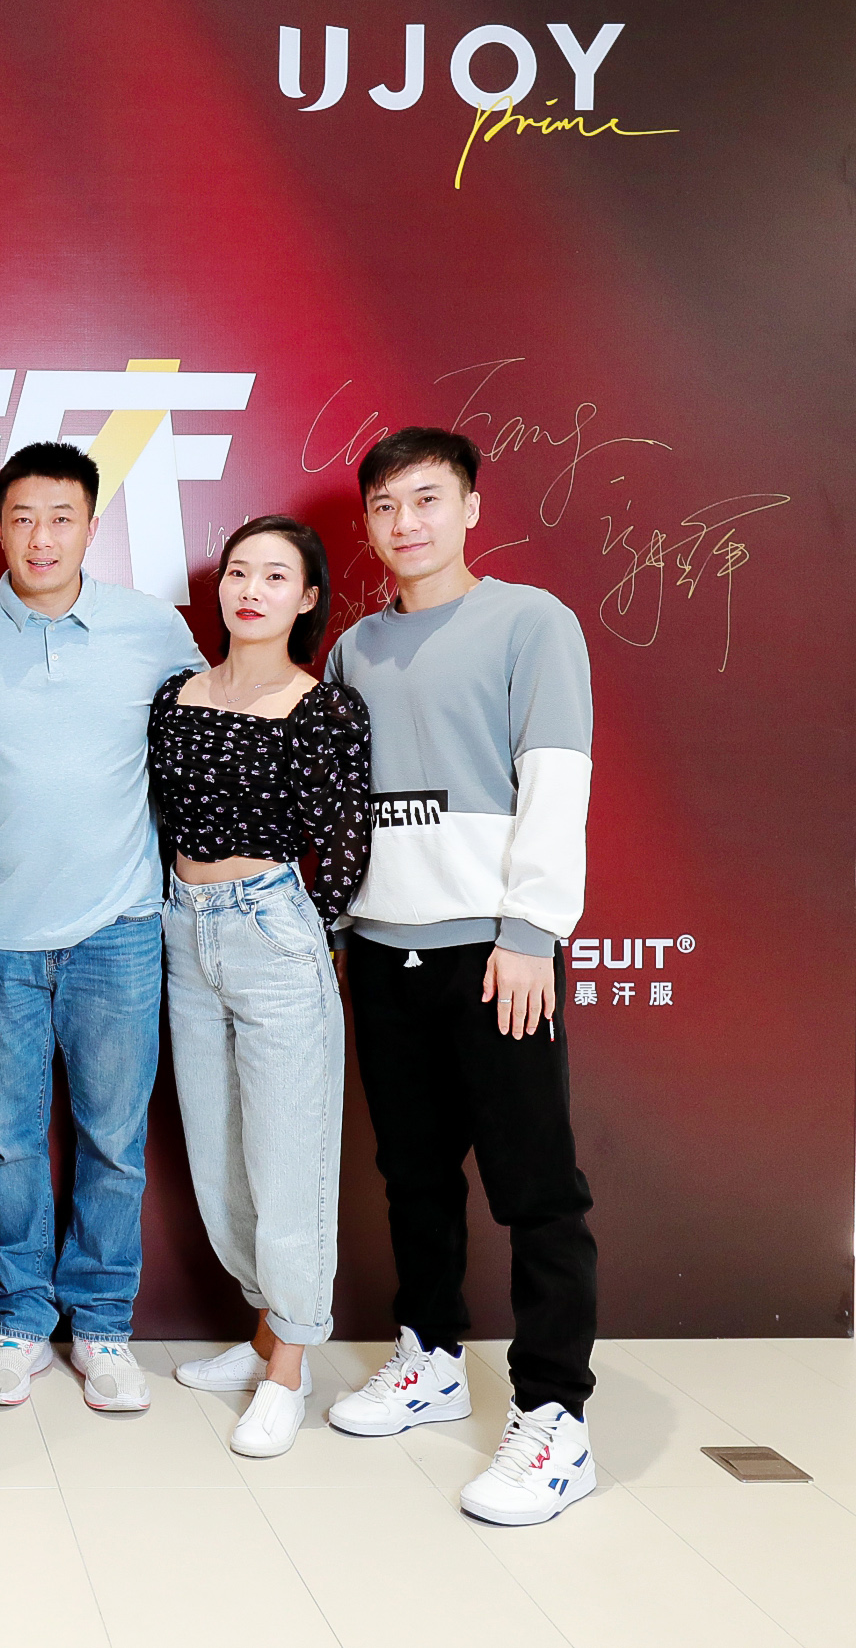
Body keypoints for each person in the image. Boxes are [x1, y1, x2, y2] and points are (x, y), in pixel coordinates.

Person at [320, 426, 599, 1527]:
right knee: (415, 1176)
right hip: (383, 949)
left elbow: (557, 776)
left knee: (536, 1188)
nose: (407, 523)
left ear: (471, 507)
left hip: (494, 954)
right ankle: (430, 1356)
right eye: (386, 505)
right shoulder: (353, 649)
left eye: (428, 499)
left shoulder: (531, 621)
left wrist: (530, 931)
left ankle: (555, 1415)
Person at [0, 440, 204, 1413]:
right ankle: (17, 1321)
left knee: (112, 1142)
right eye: (21, 518)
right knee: (6, 1143)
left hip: (117, 929)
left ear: (91, 526)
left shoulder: (151, 627)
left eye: (61, 518)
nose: (40, 537)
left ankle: (103, 1324)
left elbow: (210, 726)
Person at [151, 516, 370, 1460]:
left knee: (289, 1160)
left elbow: (347, 844)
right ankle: (264, 1335)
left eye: (276, 576)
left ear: (307, 598)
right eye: (239, 571)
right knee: (220, 1157)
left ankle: (291, 1369)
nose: (251, 589)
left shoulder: (324, 708)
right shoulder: (176, 695)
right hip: (181, 926)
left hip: (272, 931)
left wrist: (306, 934)